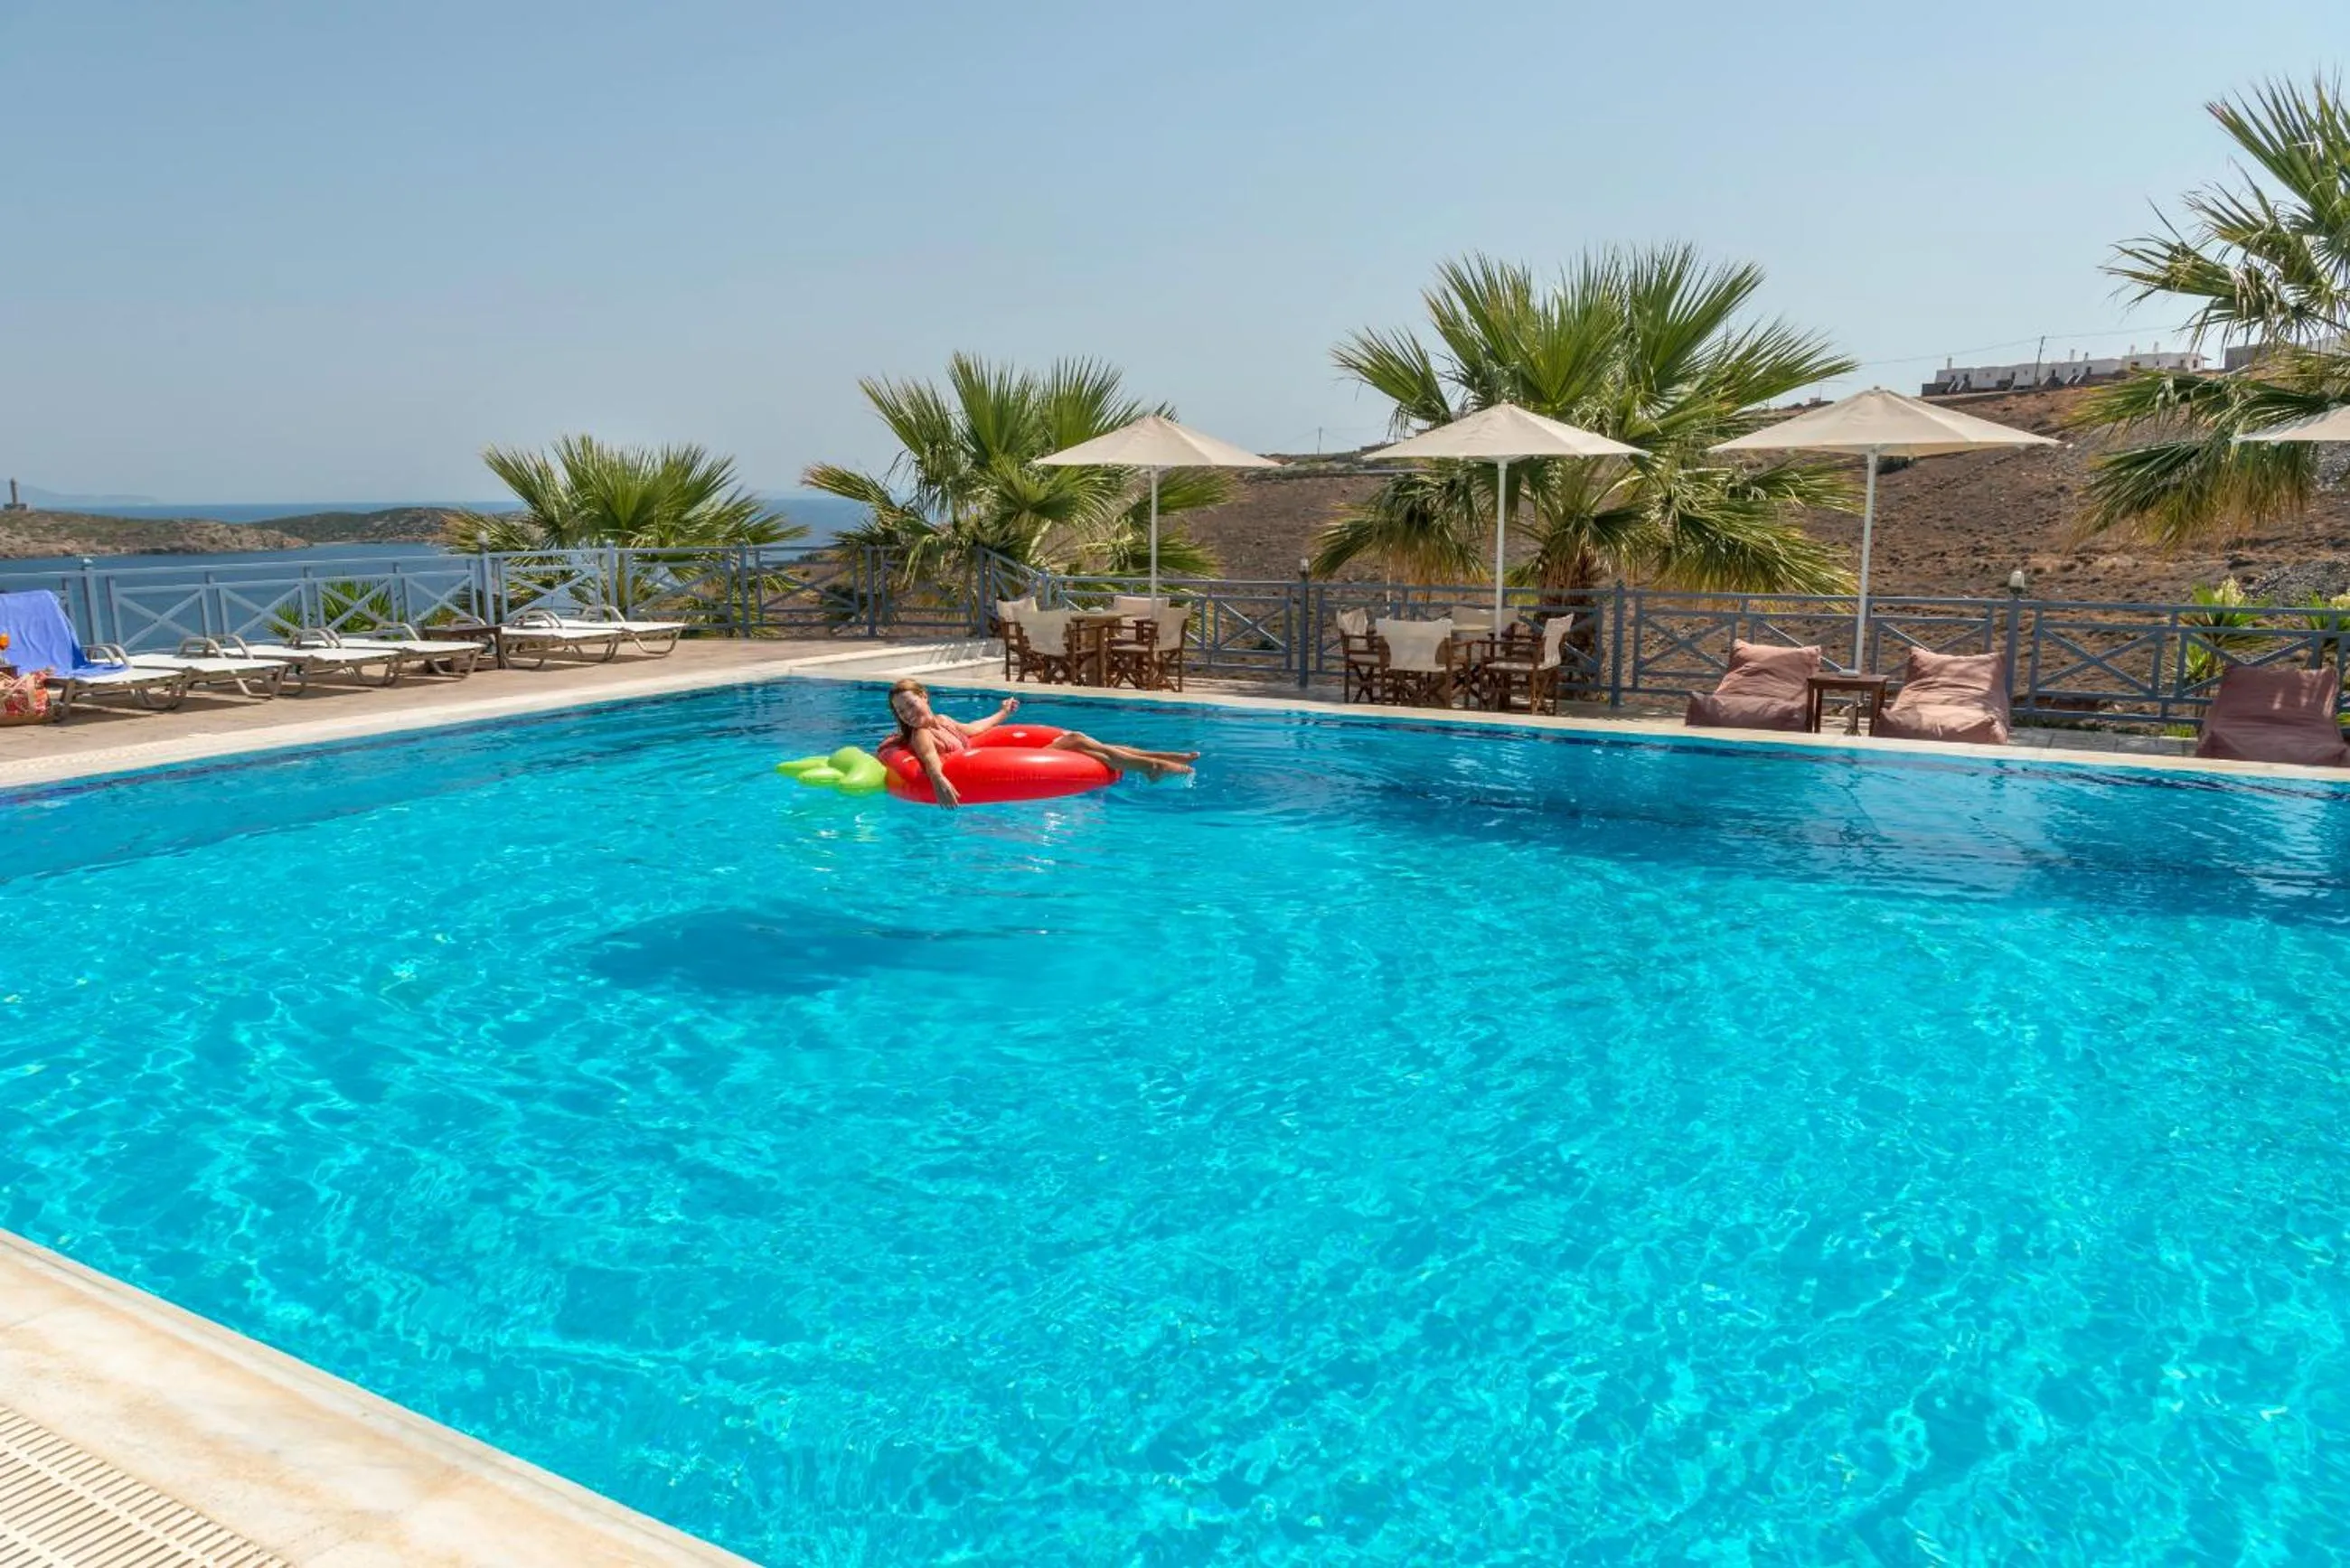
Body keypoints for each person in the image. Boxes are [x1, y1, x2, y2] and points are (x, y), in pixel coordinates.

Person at [884, 679, 1198, 809]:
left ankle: (1158, 758)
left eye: (912, 705)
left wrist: (1002, 712)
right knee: (1075, 740)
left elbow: (975, 730)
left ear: (925, 697)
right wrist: (938, 780)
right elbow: (928, 760)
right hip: (982, 774)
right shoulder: (923, 734)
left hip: (988, 761)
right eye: (902, 711)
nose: (909, 714)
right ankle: (1151, 765)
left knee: (1082, 745)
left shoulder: (945, 720)